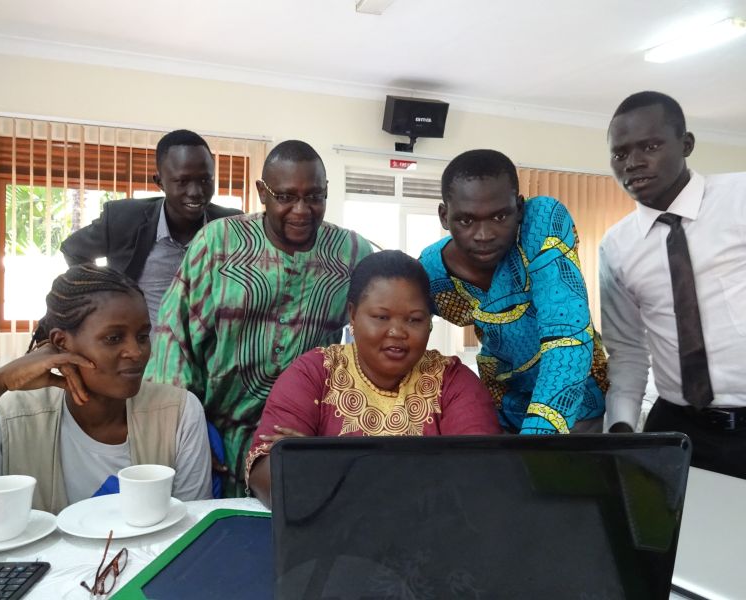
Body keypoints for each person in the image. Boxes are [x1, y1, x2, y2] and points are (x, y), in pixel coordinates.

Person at [146, 140, 373, 496]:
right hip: (215, 433)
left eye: (314, 196)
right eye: (286, 197)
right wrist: (187, 430)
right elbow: (175, 341)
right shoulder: (218, 243)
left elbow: (370, 341)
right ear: (262, 193)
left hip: (302, 435)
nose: (302, 210)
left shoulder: (351, 252)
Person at [0, 265, 212, 513]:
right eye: (113, 338)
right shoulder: (10, 418)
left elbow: (192, 524)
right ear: (61, 343)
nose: (136, 352)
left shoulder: (178, 412)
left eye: (143, 336)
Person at [245, 250, 501, 506]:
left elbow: (478, 477)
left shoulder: (453, 382)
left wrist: (326, 464)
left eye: (414, 319)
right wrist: (421, 474)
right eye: (381, 317)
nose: (397, 332)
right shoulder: (314, 373)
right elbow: (269, 476)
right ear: (353, 315)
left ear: (430, 323)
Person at [601, 91, 746, 478]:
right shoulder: (616, 246)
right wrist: (621, 429)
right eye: (620, 154)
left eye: (650, 146)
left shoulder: (739, 199)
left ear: (686, 144)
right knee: (677, 538)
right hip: (679, 429)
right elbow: (628, 350)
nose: (633, 163)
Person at [419, 150, 607, 434]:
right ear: (445, 217)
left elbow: (567, 333)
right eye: (466, 221)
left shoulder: (541, 222)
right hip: (500, 403)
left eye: (499, 216)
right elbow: (403, 331)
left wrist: (536, 443)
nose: (484, 234)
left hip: (577, 403)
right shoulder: (432, 271)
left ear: (519, 209)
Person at [60, 129, 242, 324]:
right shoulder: (123, 219)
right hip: (143, 353)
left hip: (210, 353)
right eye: (182, 181)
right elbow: (73, 250)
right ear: (159, 182)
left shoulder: (232, 225)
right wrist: (104, 299)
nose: (196, 192)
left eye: (206, 180)